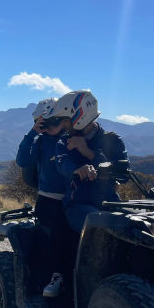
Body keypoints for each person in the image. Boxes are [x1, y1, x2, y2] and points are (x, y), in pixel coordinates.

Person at [16, 97, 75, 297]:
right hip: (49, 200)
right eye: (45, 123)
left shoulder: (71, 139)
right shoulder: (40, 142)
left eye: (55, 121)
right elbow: (22, 160)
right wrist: (33, 133)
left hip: (73, 198)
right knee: (56, 236)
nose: (52, 127)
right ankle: (56, 276)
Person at [53, 90, 129, 234]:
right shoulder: (64, 141)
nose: (62, 124)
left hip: (110, 203)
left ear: (80, 116)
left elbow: (123, 175)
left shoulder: (113, 140)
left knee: (141, 227)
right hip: (78, 206)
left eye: (65, 119)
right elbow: (62, 163)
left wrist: (88, 152)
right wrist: (77, 169)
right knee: (99, 225)